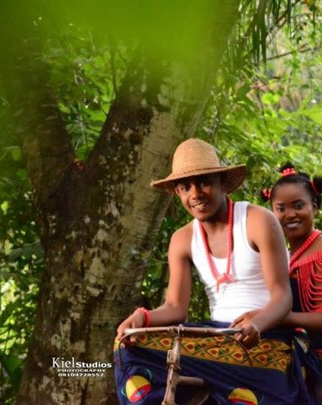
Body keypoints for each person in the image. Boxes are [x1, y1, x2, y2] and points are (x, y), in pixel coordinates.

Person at [114, 139, 300, 404]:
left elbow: (283, 297)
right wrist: (142, 318)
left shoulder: (257, 221)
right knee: (126, 346)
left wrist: (257, 324)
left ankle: (239, 392)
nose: (196, 193)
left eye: (204, 182)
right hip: (214, 339)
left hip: (265, 337)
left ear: (221, 182)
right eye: (185, 187)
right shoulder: (182, 239)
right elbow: (176, 308)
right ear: (177, 193)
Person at [256, 163, 322, 403]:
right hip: (281, 353)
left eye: (298, 206)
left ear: (315, 207)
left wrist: (271, 317)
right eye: (281, 208)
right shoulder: (284, 253)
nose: (290, 214)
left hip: (314, 364)